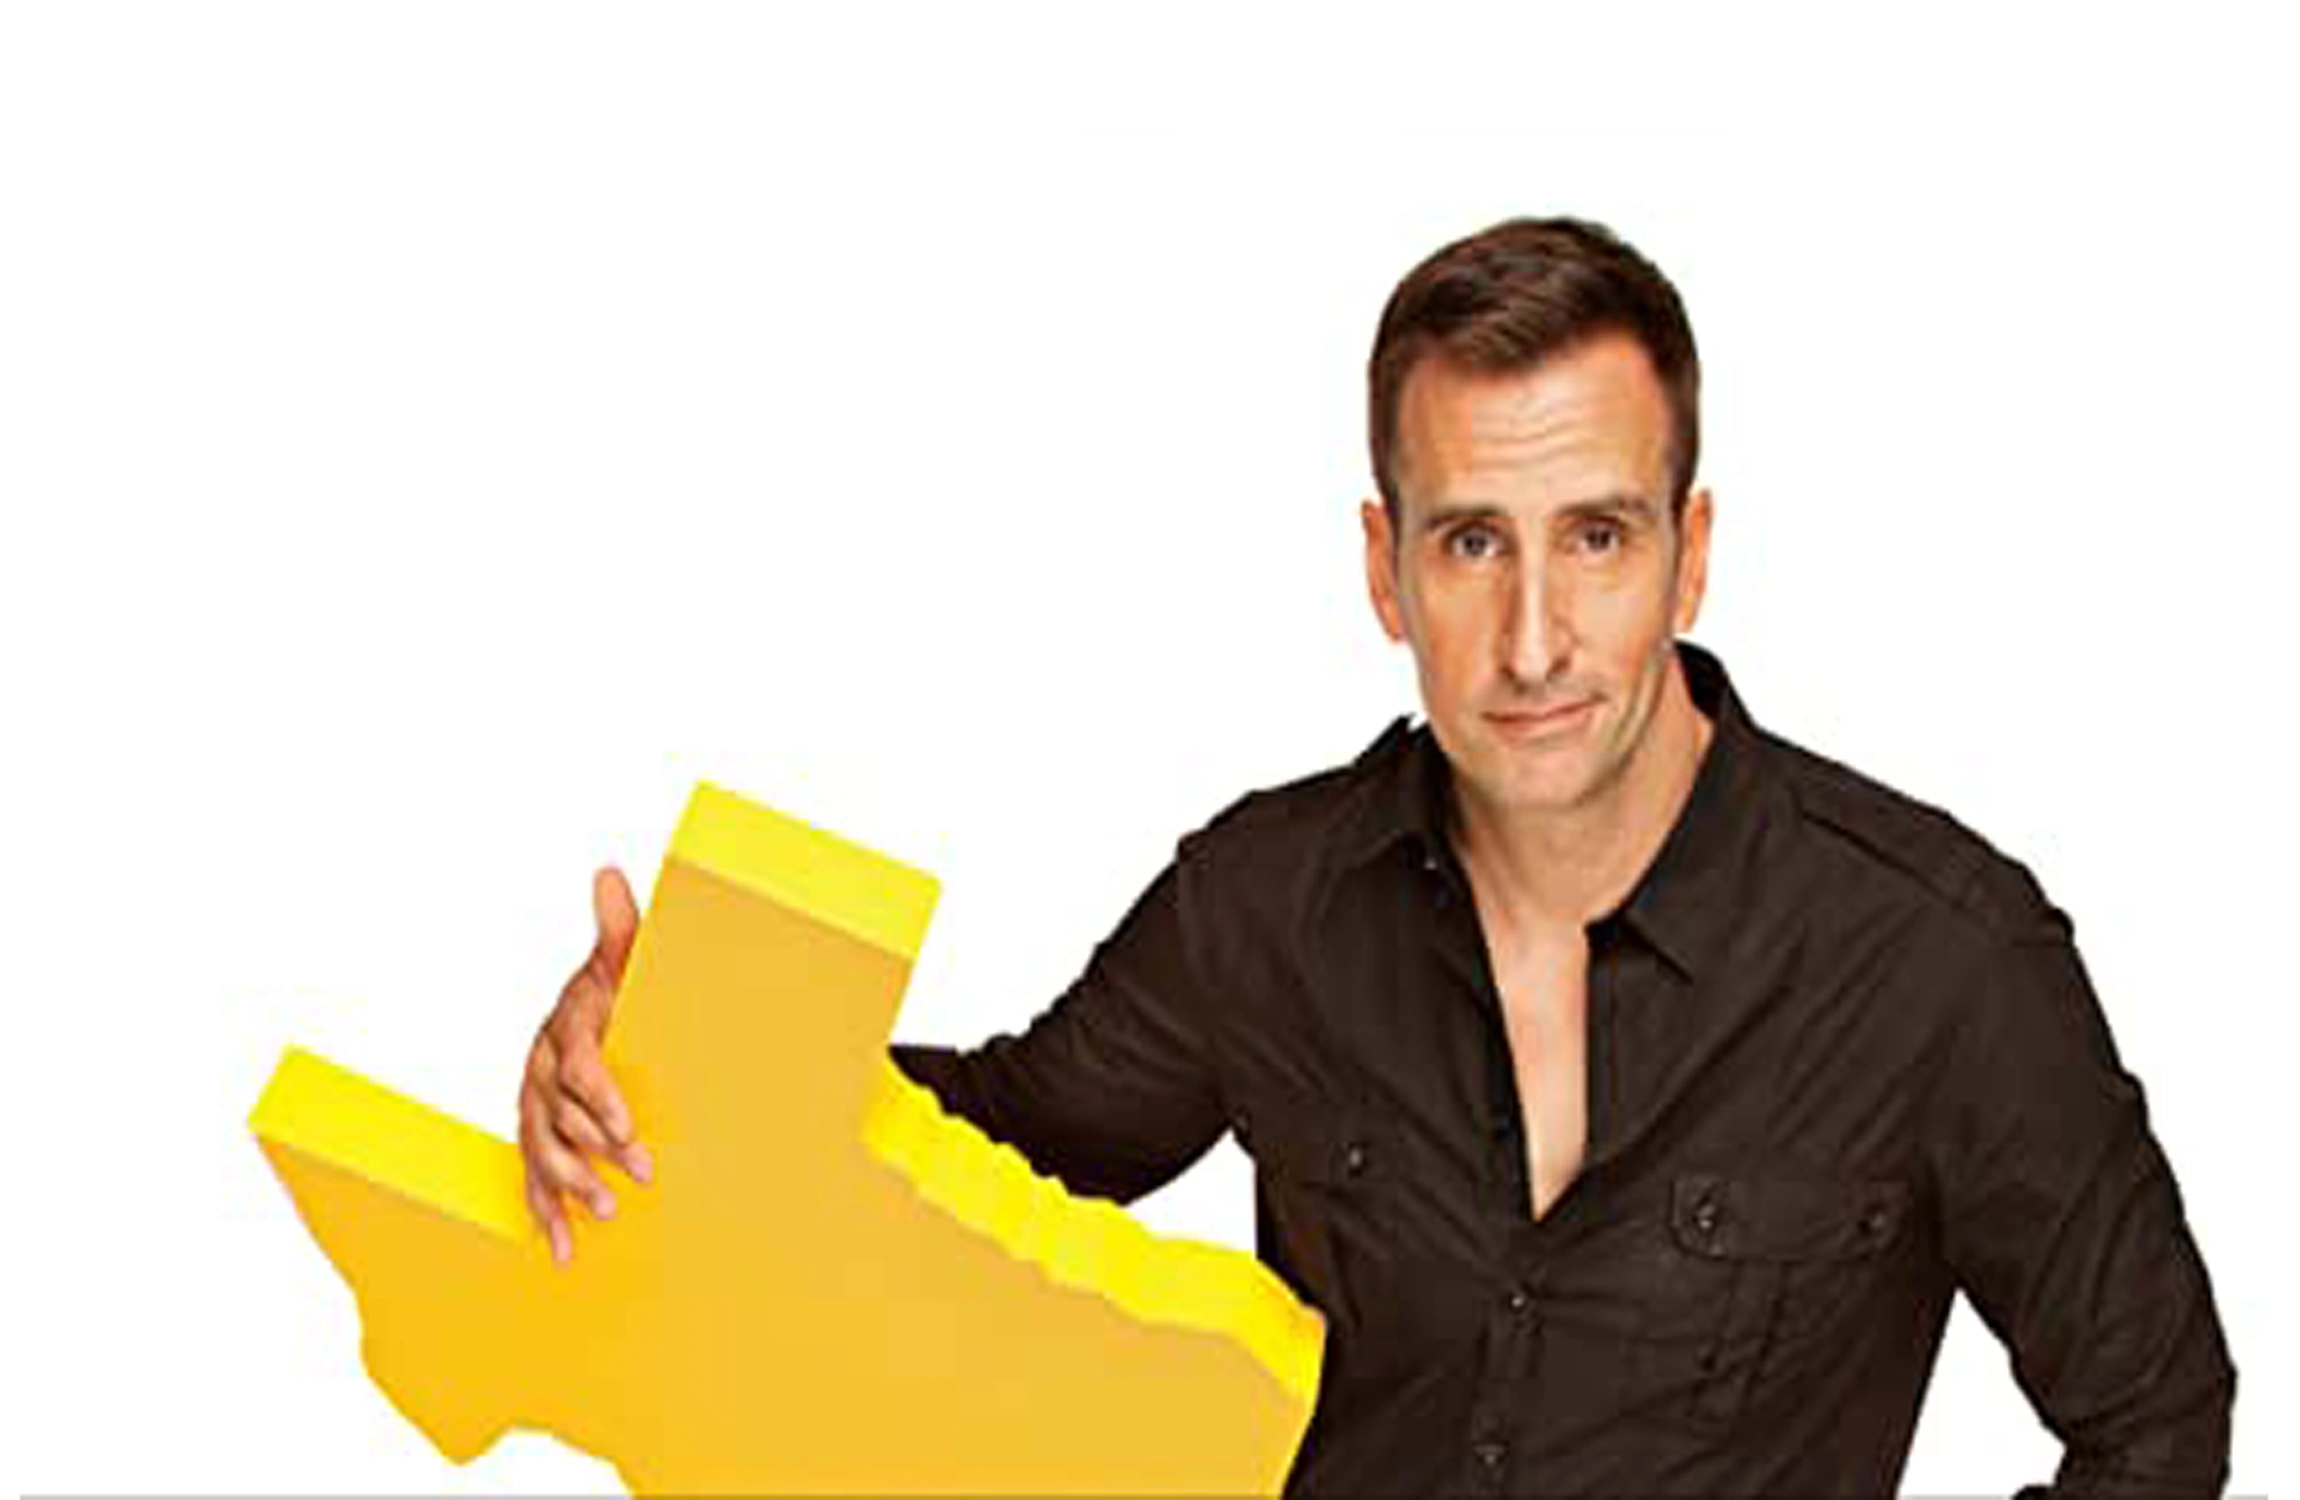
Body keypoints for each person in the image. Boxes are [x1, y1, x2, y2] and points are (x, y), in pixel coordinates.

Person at [515, 217, 2236, 1496]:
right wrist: (654, 1071)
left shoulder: (1942, 961)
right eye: (1472, 543)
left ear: (1692, 555)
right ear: (1383, 570)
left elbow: (2157, 1423)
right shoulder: (1264, 908)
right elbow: (992, 1147)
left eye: (1599, 537)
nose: (1536, 639)